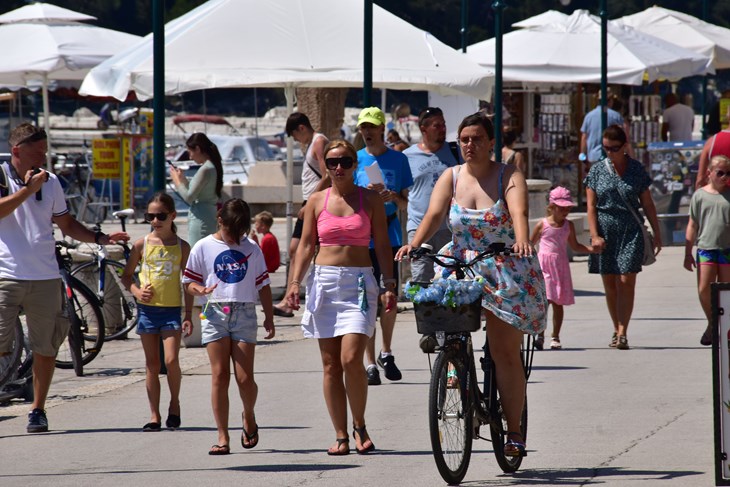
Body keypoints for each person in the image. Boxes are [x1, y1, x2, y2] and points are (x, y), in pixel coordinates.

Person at [396, 112, 547, 457]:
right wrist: (415, 243)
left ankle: (513, 430)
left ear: (491, 142)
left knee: (504, 351)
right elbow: (434, 215)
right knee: (447, 324)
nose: (470, 144)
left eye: (477, 138)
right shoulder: (451, 176)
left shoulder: (509, 174)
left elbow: (519, 213)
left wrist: (522, 240)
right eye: (464, 139)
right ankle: (455, 363)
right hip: (462, 263)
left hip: (503, 265)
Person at [0, 123, 129, 433]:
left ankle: (38, 410)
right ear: (17, 151)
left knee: (46, 347)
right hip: (6, 275)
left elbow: (67, 224)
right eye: (36, 153)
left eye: (45, 152)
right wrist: (27, 191)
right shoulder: (2, 176)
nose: (43, 159)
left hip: (45, 276)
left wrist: (101, 238)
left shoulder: (52, 182)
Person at [283, 139, 395, 455]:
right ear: (326, 166)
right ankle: (341, 434)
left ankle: (359, 424)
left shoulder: (370, 199)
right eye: (332, 162)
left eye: (345, 161)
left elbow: (383, 245)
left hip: (359, 284)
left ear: (354, 164)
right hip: (325, 284)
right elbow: (305, 246)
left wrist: (389, 283)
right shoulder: (316, 201)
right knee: (331, 364)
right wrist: (294, 283)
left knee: (350, 359)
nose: (339, 167)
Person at [182, 198, 275, 455]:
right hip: (214, 311)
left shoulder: (252, 248)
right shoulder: (203, 246)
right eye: (231, 230)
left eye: (241, 231)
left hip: (244, 311)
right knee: (220, 375)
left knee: (245, 379)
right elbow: (188, 281)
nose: (236, 237)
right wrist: (198, 291)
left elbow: (263, 284)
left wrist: (269, 316)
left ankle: (249, 415)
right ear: (219, 221)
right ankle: (222, 436)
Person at [584, 124, 662, 350]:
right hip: (605, 230)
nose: (610, 152)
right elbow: (590, 206)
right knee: (610, 283)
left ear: (625, 146)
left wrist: (657, 233)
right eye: (606, 148)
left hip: (630, 230)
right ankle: (616, 327)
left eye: (614, 148)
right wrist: (594, 235)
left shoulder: (636, 169)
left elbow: (647, 203)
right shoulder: (597, 170)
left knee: (627, 281)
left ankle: (623, 331)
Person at [121, 192, 193, 431]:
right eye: (150, 216)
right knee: (152, 364)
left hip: (171, 310)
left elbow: (188, 283)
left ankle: (175, 404)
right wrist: (137, 292)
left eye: (160, 216)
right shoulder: (141, 245)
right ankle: (155, 415)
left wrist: (189, 315)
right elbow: (127, 276)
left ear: (172, 216)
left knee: (171, 360)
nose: (155, 221)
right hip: (147, 311)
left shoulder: (182, 247)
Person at [354, 106, 414, 385]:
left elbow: (405, 202)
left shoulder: (399, 160)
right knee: (366, 302)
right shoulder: (354, 160)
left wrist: (391, 197)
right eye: (363, 127)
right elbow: (346, 203)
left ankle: (386, 352)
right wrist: (363, 197)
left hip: (389, 239)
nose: (367, 131)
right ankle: (368, 364)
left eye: (371, 126)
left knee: (388, 300)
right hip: (362, 241)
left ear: (381, 129)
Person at [273, 112, 329, 318]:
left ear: (302, 128)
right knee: (295, 248)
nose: (296, 140)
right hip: (310, 201)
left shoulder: (319, 142)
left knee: (302, 249)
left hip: (315, 202)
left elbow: (327, 175)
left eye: (295, 136)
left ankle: (290, 299)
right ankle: (288, 298)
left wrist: (312, 201)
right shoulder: (314, 143)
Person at [530, 187, 595, 350]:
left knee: (557, 303)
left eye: (568, 208)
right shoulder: (542, 225)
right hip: (544, 266)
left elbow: (575, 245)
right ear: (551, 206)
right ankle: (540, 335)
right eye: (561, 208)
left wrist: (592, 250)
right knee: (544, 302)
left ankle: (555, 336)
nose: (565, 211)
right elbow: (530, 245)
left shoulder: (568, 226)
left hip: (560, 267)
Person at [684, 155, 730, 346]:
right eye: (720, 173)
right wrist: (687, 253)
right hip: (706, 248)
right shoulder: (700, 196)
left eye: (728, 173)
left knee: (726, 290)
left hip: (727, 249)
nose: (724, 177)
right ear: (710, 173)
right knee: (705, 289)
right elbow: (692, 224)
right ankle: (712, 322)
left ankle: (725, 326)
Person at [169, 132, 224, 246]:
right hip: (208, 216)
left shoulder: (206, 169)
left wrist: (177, 181)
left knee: (196, 255)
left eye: (190, 152)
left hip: (201, 219)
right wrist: (183, 179)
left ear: (197, 149)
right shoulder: (212, 166)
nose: (190, 156)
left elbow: (189, 197)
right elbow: (197, 191)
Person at [580, 95, 634, 165]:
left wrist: (582, 155)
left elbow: (584, 137)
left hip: (593, 157)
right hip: (612, 157)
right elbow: (625, 138)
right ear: (610, 101)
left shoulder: (588, 117)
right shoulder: (616, 116)